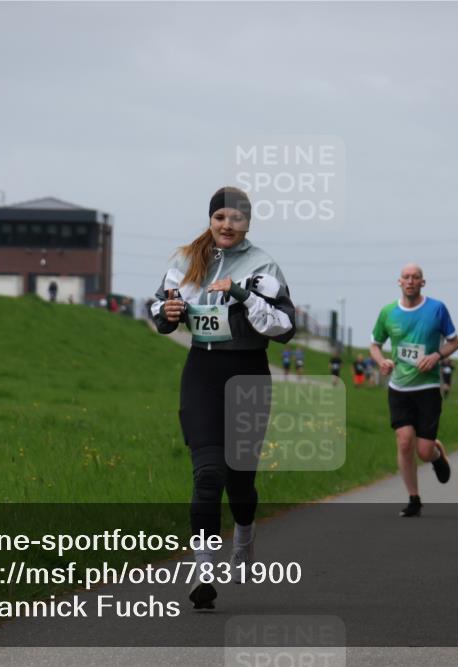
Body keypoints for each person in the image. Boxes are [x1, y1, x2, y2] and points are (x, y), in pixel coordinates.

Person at [151, 186, 296, 609]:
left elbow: (285, 327)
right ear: (211, 220)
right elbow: (158, 308)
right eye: (219, 218)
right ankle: (203, 571)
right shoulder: (186, 260)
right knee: (208, 474)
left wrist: (243, 294)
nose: (227, 225)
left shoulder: (263, 265)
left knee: (240, 481)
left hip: (248, 373)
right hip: (202, 372)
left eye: (236, 218)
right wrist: (168, 313)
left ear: (247, 223)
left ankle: (244, 536)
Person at [369, 263, 458, 518]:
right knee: (404, 440)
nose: (410, 281)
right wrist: (382, 361)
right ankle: (414, 498)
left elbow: (454, 342)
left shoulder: (436, 309)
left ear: (422, 282)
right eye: (406, 277)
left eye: (415, 277)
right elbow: (375, 345)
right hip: (399, 387)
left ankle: (436, 454)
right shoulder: (388, 312)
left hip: (427, 387)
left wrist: (436, 355)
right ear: (399, 282)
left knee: (424, 451)